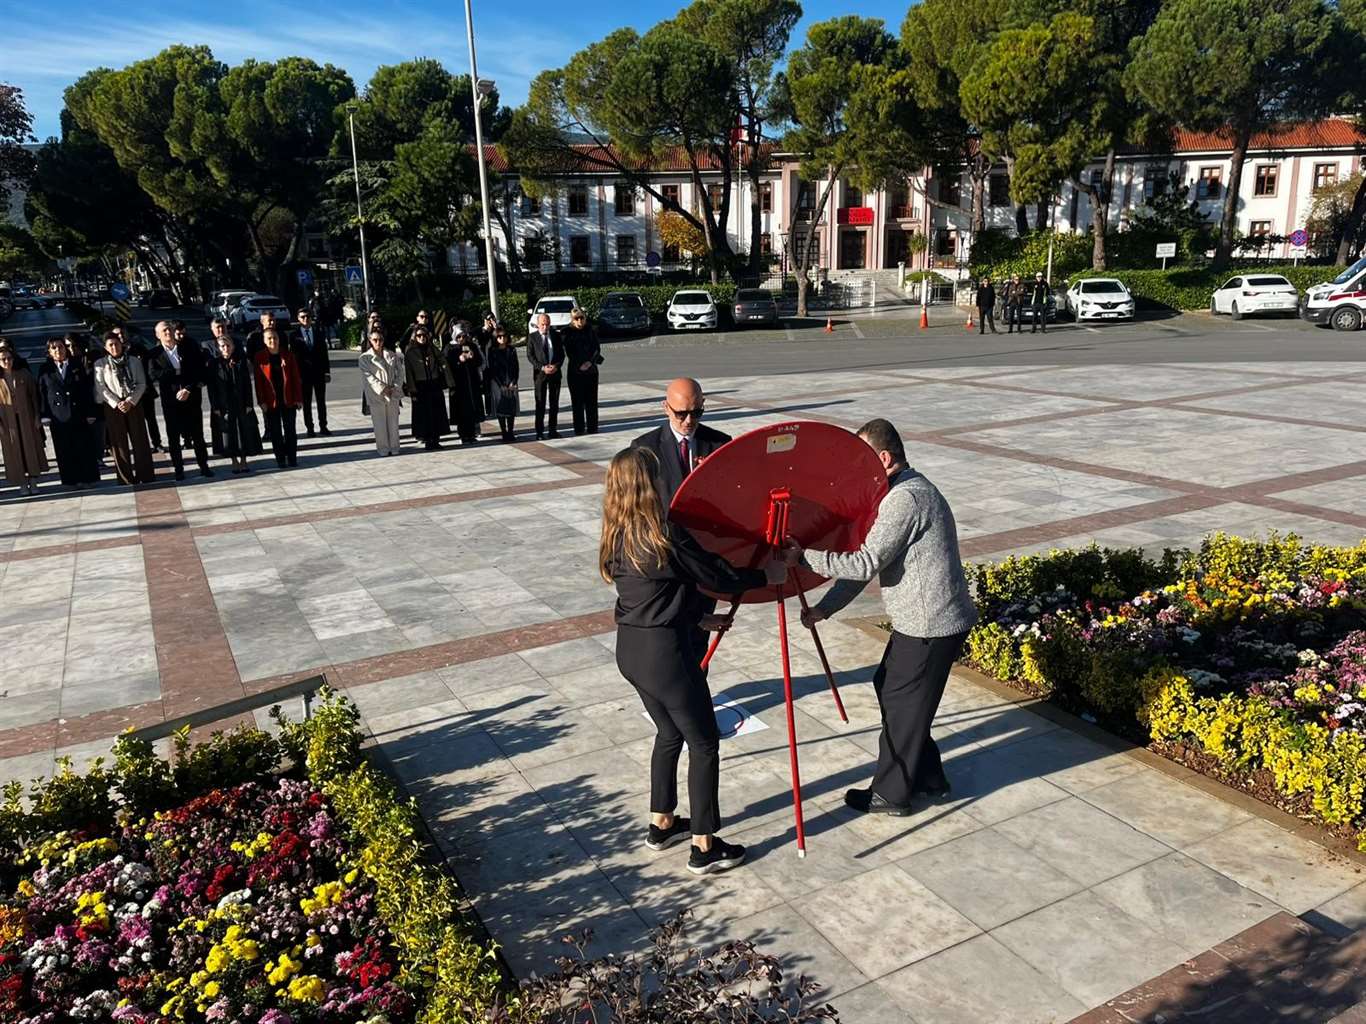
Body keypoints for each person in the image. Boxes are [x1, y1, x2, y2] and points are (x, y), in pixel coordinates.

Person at [601, 446, 786, 875]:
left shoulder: (618, 533)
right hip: (666, 654)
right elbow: (714, 574)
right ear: (650, 484)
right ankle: (704, 845)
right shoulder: (663, 533)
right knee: (704, 741)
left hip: (631, 650)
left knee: (669, 732)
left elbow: (655, 594)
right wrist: (765, 576)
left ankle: (661, 822)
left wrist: (701, 617)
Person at [783, 418, 977, 816]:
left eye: (862, 459)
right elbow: (870, 562)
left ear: (884, 458)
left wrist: (803, 556)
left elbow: (864, 561)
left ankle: (891, 794)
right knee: (891, 688)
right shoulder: (898, 491)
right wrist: (826, 607)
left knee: (902, 703)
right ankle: (930, 778)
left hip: (930, 625)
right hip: (921, 623)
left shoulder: (906, 499)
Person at [630, 377, 731, 506]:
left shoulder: (720, 444)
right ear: (666, 408)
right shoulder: (644, 448)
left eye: (696, 412)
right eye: (681, 414)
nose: (689, 421)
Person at [148, 319, 214, 480]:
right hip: (170, 401)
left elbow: (198, 370)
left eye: (169, 329)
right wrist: (176, 373)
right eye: (164, 330)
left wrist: (188, 388)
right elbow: (154, 375)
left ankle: (204, 465)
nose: (168, 332)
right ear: (158, 335)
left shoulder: (189, 347)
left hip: (191, 397)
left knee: (197, 434)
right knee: (173, 437)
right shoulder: (154, 354)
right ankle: (179, 469)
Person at [94, 330, 155, 486]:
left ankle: (145, 474)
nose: (114, 347)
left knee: (140, 439)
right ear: (106, 348)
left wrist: (130, 400)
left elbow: (142, 383)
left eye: (116, 344)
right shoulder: (100, 364)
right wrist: (116, 402)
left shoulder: (134, 361)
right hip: (113, 407)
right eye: (111, 345)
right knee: (119, 442)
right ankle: (125, 477)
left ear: (122, 344)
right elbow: (101, 388)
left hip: (133, 403)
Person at [37, 337, 100, 489]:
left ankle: (88, 478)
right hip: (58, 415)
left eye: (60, 347)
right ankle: (70, 480)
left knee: (83, 447)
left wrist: (91, 412)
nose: (58, 350)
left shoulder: (77, 364)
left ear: (66, 349)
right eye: (54, 348)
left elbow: (87, 390)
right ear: (49, 352)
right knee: (64, 449)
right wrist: (44, 415)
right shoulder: (45, 369)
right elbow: (42, 393)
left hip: (79, 412)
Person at [207, 331, 263, 474]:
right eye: (222, 346)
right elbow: (212, 388)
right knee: (229, 434)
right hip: (224, 404)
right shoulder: (214, 364)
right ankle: (234, 461)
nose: (225, 348)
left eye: (227, 345)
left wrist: (249, 404)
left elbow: (247, 384)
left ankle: (244, 460)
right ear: (218, 348)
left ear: (232, 347)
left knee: (243, 432)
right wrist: (215, 406)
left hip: (240, 402)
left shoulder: (240, 361)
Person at [0, 346, 48, 495]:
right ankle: (22, 483)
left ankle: (33, 480)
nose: (7, 361)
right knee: (14, 452)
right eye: (3, 359)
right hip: (7, 422)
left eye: (9, 358)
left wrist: (37, 417)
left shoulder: (23, 374)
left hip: (26, 418)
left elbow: (34, 396)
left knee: (30, 449)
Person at [253, 328, 303, 469]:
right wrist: (261, 401)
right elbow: (258, 382)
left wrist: (298, 399)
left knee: (290, 431)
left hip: (288, 398)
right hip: (270, 401)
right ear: (264, 340)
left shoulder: (288, 355)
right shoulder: (260, 357)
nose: (272, 341)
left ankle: (292, 457)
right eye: (269, 338)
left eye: (274, 337)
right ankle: (280, 458)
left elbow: (295, 378)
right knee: (275, 432)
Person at [402, 326, 453, 450]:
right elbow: (408, 372)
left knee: (437, 412)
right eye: (419, 335)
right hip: (420, 385)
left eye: (424, 335)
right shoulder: (410, 352)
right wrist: (412, 389)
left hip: (434, 383)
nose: (422, 338)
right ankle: (427, 439)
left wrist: (450, 382)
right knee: (423, 414)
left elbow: (443, 363)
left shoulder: (432, 348)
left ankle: (436, 439)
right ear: (415, 337)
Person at [359, 326, 405, 456]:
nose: (378, 342)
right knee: (379, 425)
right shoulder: (364, 358)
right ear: (370, 340)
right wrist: (383, 388)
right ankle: (383, 449)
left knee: (393, 423)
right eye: (375, 340)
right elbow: (368, 377)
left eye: (380, 340)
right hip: (376, 395)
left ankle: (395, 447)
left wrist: (395, 386)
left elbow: (400, 372)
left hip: (393, 393)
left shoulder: (391, 355)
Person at [121, 326, 164, 453]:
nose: (121, 337)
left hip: (144, 390)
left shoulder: (138, 348)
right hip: (127, 394)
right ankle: (138, 446)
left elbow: (149, 364)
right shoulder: (113, 352)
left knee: (151, 418)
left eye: (123, 333)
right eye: (117, 335)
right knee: (133, 422)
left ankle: (157, 443)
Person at [291, 307, 331, 437]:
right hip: (304, 374)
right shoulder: (294, 335)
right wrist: (296, 376)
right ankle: (310, 428)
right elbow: (294, 357)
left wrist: (327, 372)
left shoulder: (318, 332)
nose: (306, 319)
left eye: (308, 316)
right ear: (298, 319)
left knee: (321, 401)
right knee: (306, 403)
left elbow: (324, 354)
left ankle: (323, 426)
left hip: (318, 372)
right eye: (302, 317)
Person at [563, 308, 603, 435]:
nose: (579, 321)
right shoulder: (567, 332)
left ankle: (593, 427)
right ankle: (579, 428)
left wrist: (590, 362)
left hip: (591, 370)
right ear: (572, 319)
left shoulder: (591, 330)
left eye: (582, 318)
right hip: (575, 371)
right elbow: (569, 352)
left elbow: (597, 348)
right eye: (576, 318)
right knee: (577, 402)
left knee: (592, 401)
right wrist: (580, 364)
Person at [444, 322, 484, 446]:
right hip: (458, 385)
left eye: (463, 336)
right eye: (459, 336)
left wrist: (473, 357)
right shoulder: (449, 348)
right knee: (461, 410)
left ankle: (472, 433)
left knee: (472, 408)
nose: (461, 339)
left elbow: (480, 362)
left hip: (471, 383)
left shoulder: (471, 345)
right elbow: (446, 366)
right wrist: (459, 361)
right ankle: (463, 435)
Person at [526, 312, 564, 440]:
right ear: (538, 324)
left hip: (555, 373)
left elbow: (561, 355)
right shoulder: (532, 337)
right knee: (540, 403)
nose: (545, 327)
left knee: (554, 403)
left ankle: (552, 430)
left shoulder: (556, 336)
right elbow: (530, 356)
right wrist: (542, 367)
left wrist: (556, 366)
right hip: (540, 375)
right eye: (542, 324)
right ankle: (539, 432)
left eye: (547, 324)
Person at [484, 322, 520, 443]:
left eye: (504, 336)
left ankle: (510, 431)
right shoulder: (492, 351)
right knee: (501, 406)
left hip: (510, 381)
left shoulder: (512, 349)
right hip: (497, 382)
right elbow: (492, 369)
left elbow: (516, 367)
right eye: (499, 336)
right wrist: (501, 385)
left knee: (511, 405)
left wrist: (513, 382)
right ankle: (503, 431)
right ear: (495, 338)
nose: (502, 338)